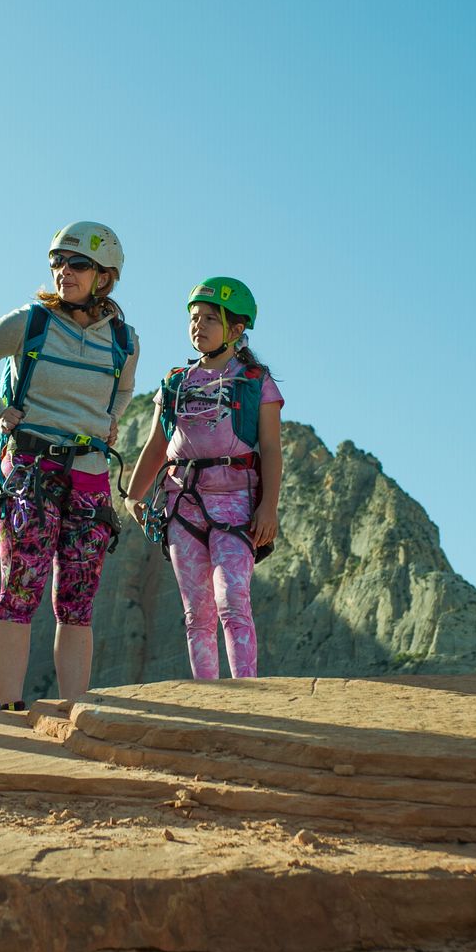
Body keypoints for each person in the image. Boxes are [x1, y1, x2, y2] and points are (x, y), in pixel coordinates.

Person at [0, 223, 139, 710]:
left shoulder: (124, 340)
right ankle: (12, 711)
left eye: (77, 264)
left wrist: (111, 421)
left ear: (105, 277)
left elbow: (124, 389)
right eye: (57, 261)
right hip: (30, 472)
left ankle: (75, 711)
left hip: (90, 476)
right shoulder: (31, 321)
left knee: (77, 602)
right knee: (20, 587)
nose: (64, 271)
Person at [125, 278, 284, 680]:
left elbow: (271, 448)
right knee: (197, 613)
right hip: (183, 505)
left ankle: (246, 694)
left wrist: (269, 507)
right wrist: (132, 496)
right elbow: (157, 445)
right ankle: (210, 701)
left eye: (211, 318)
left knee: (232, 599)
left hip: (236, 503)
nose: (199, 325)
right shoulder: (175, 382)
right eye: (194, 318)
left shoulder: (254, 382)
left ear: (235, 329)